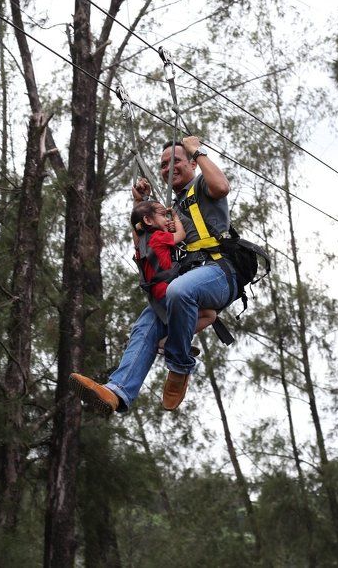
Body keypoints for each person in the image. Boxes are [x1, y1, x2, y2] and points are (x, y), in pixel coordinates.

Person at [70, 136, 236, 414]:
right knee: (146, 325)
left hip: (218, 272)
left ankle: (180, 365)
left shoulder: (202, 186)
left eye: (176, 161)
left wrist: (197, 150)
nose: (169, 169)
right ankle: (117, 391)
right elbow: (147, 247)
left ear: (192, 164)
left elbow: (222, 187)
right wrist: (142, 204)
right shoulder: (169, 210)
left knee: (179, 291)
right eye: (163, 165)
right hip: (185, 279)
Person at [129, 199, 217, 351]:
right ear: (148, 220)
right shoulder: (159, 237)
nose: (166, 219)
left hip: (157, 295)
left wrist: (166, 228)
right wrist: (176, 218)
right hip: (167, 291)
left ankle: (172, 339)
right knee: (210, 315)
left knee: (184, 317)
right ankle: (174, 340)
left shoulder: (141, 246)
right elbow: (181, 235)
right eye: (163, 215)